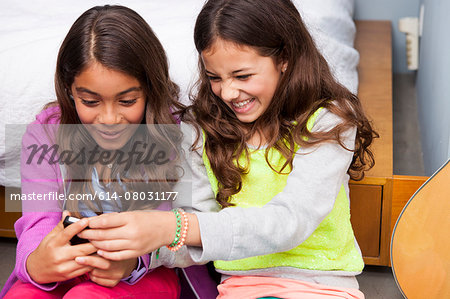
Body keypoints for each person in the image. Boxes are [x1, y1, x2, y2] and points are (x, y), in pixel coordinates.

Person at [75, 0, 378, 298]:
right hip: (238, 287)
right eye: (214, 78)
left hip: (318, 286)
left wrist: (173, 225)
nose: (228, 92)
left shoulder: (328, 118)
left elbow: (291, 221)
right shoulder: (199, 128)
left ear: (284, 58)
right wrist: (137, 256)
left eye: (242, 76)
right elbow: (196, 234)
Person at [1, 5, 187, 298]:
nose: (110, 119)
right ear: (69, 90)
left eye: (127, 101)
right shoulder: (46, 133)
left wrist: (132, 262)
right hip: (71, 266)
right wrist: (36, 263)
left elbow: (183, 228)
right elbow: (38, 219)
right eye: (90, 101)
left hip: (143, 273)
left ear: (150, 90)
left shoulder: (174, 133)